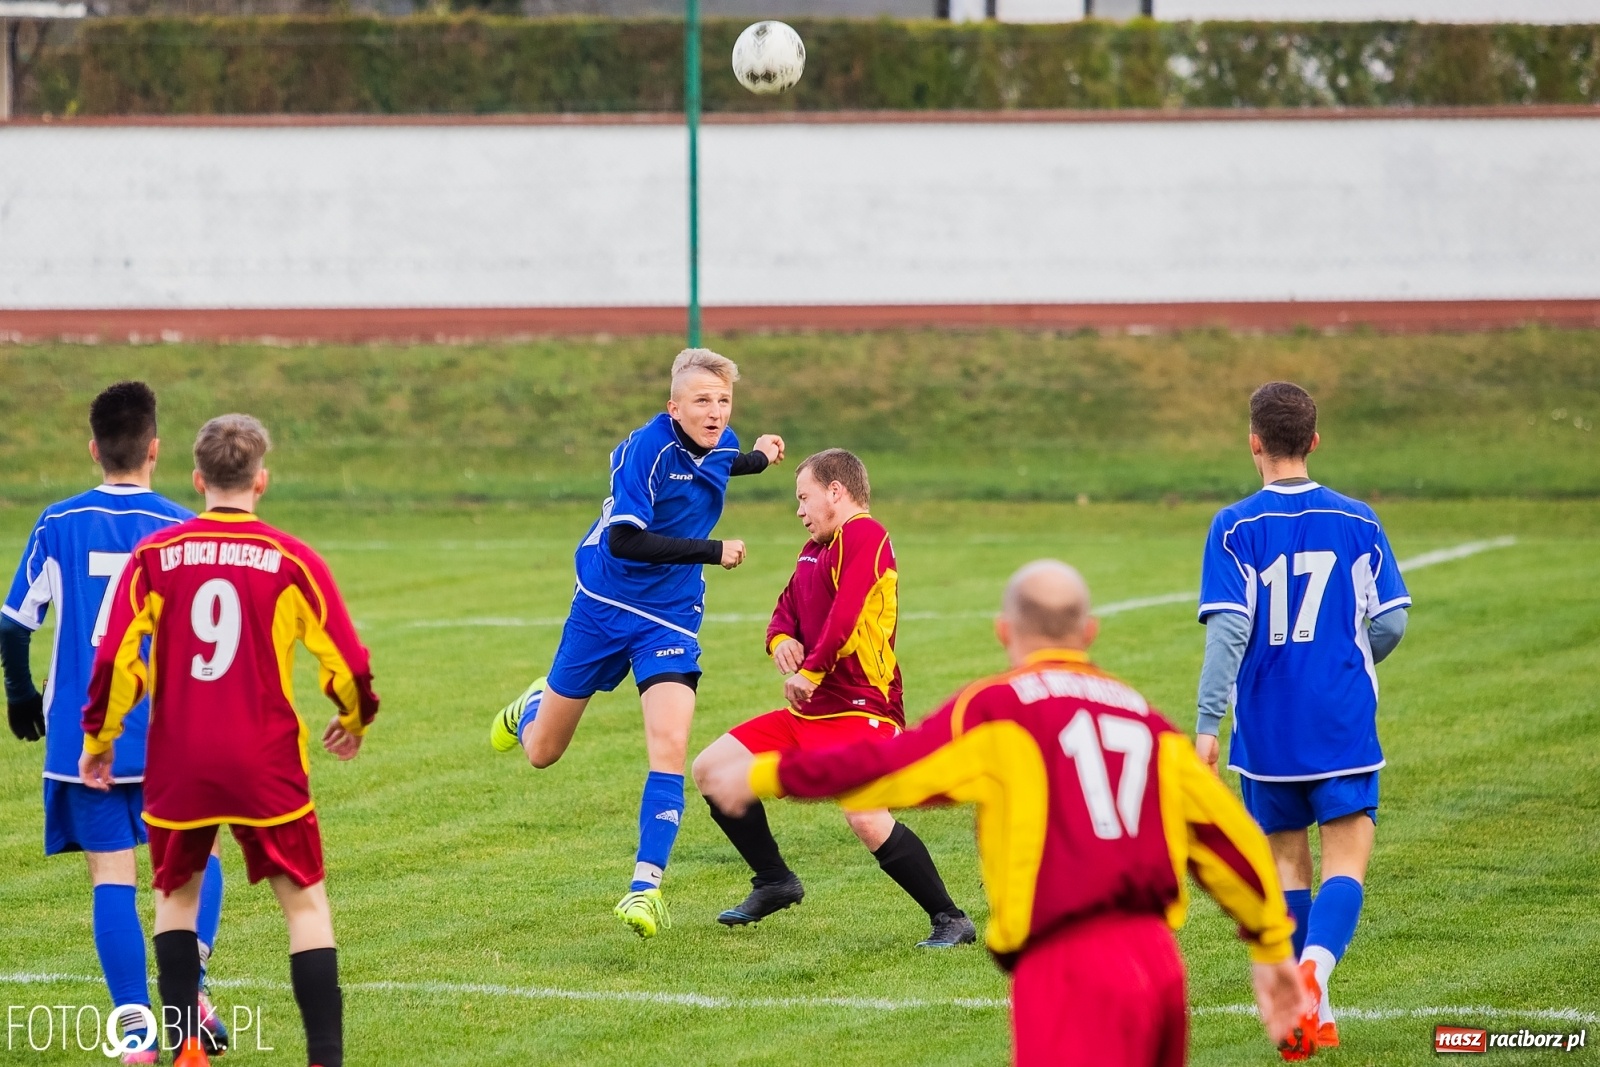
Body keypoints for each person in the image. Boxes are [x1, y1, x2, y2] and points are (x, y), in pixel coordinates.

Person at [701, 560, 1310, 1067]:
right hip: (1158, 969)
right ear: (1091, 631)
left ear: (1003, 631)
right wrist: (1271, 947)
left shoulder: (1001, 709)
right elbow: (1232, 840)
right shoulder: (1147, 721)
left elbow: (890, 765)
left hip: (1066, 964)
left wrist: (765, 772)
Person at [81, 414, 378, 1067]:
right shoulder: (291, 558)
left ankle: (186, 1046)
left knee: (175, 900)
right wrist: (354, 718)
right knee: (305, 905)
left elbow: (113, 658)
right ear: (261, 480)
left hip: (179, 758)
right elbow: (350, 661)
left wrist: (99, 738)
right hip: (265, 758)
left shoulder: (155, 557)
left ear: (197, 479)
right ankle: (324, 1056)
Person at [486, 348, 785, 938]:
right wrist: (713, 549)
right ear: (673, 407)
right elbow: (624, 542)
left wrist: (763, 457)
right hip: (603, 605)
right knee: (543, 752)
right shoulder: (644, 452)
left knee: (670, 744)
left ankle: (644, 889)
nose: (716, 411)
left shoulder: (722, 439)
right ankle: (532, 708)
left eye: (724, 401)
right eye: (702, 401)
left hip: (670, 618)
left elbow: (729, 459)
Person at [0, 382, 228, 1064]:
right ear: (155, 448)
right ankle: (192, 989)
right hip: (172, 735)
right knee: (198, 859)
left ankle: (136, 1035)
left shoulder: (58, 522)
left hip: (83, 737)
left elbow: (13, 624)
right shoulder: (188, 527)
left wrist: (19, 694)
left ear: (95, 447)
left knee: (112, 877)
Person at [1193, 381, 1410, 1060]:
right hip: (1341, 719)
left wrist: (1206, 722)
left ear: (1254, 441)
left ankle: (1312, 1005)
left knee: (1288, 865)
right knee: (1348, 855)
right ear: (1314, 441)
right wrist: (1350, 659)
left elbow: (1228, 632)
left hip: (1266, 731)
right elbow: (1393, 619)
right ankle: (1315, 976)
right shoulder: (1359, 520)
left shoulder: (1234, 526)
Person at [692, 449, 975, 946]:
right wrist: (781, 641)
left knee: (865, 814)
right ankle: (775, 882)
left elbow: (849, 612)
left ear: (836, 492)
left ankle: (950, 918)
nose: (799, 510)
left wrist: (812, 671)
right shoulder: (813, 551)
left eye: (804, 497)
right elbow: (784, 609)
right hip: (811, 714)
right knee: (713, 770)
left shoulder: (864, 533)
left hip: (864, 710)